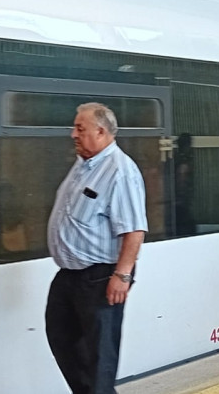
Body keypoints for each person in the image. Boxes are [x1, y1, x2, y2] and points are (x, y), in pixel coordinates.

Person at [45, 102, 148, 394]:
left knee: (99, 356)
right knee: (61, 336)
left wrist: (122, 275)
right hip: (70, 274)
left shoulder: (120, 171)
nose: (73, 134)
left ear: (101, 131)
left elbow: (134, 230)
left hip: (101, 276)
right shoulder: (84, 164)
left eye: (80, 128)